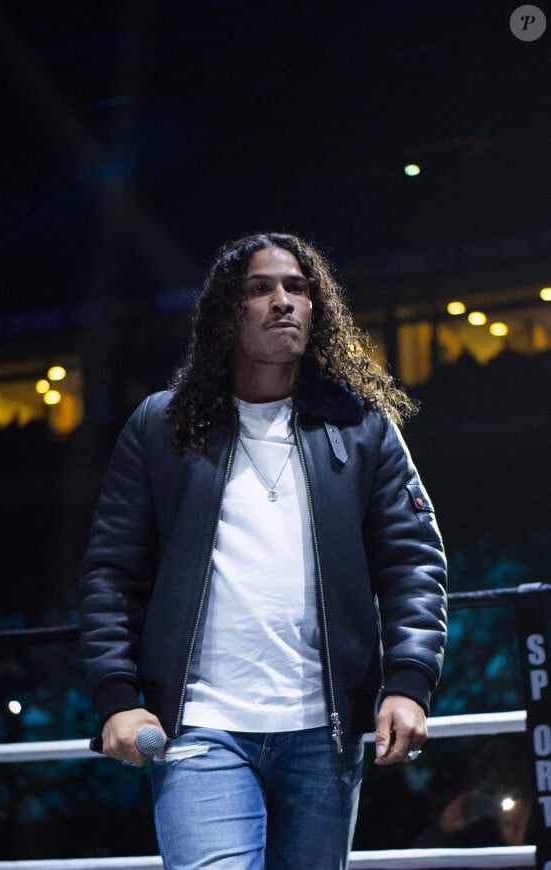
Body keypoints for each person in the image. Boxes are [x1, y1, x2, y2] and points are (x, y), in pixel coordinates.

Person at [79, 232, 447, 869]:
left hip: (323, 734)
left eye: (297, 288)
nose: (284, 302)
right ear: (228, 312)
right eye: (260, 288)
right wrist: (117, 696)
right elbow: (111, 575)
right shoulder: (162, 427)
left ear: (316, 307)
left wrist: (409, 683)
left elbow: (413, 562)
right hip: (199, 727)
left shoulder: (362, 428)